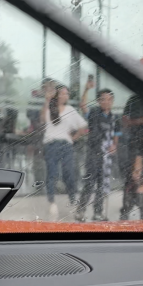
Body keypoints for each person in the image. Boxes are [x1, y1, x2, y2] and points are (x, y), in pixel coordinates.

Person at [41, 83, 88, 221]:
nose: (65, 95)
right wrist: (47, 100)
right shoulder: (50, 107)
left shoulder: (70, 110)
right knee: (52, 174)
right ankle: (52, 202)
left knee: (69, 173)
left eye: (67, 93)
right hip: (51, 144)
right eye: (62, 93)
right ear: (57, 95)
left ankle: (73, 200)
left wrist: (74, 137)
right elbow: (42, 119)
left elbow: (83, 126)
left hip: (66, 145)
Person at [77, 76, 120, 222]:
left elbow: (116, 136)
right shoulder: (94, 113)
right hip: (93, 153)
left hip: (105, 156)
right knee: (89, 183)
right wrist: (86, 89)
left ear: (112, 101)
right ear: (99, 101)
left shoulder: (115, 118)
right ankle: (80, 211)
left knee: (102, 184)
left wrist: (114, 146)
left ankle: (98, 212)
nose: (106, 102)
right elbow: (83, 105)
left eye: (109, 99)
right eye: (103, 99)